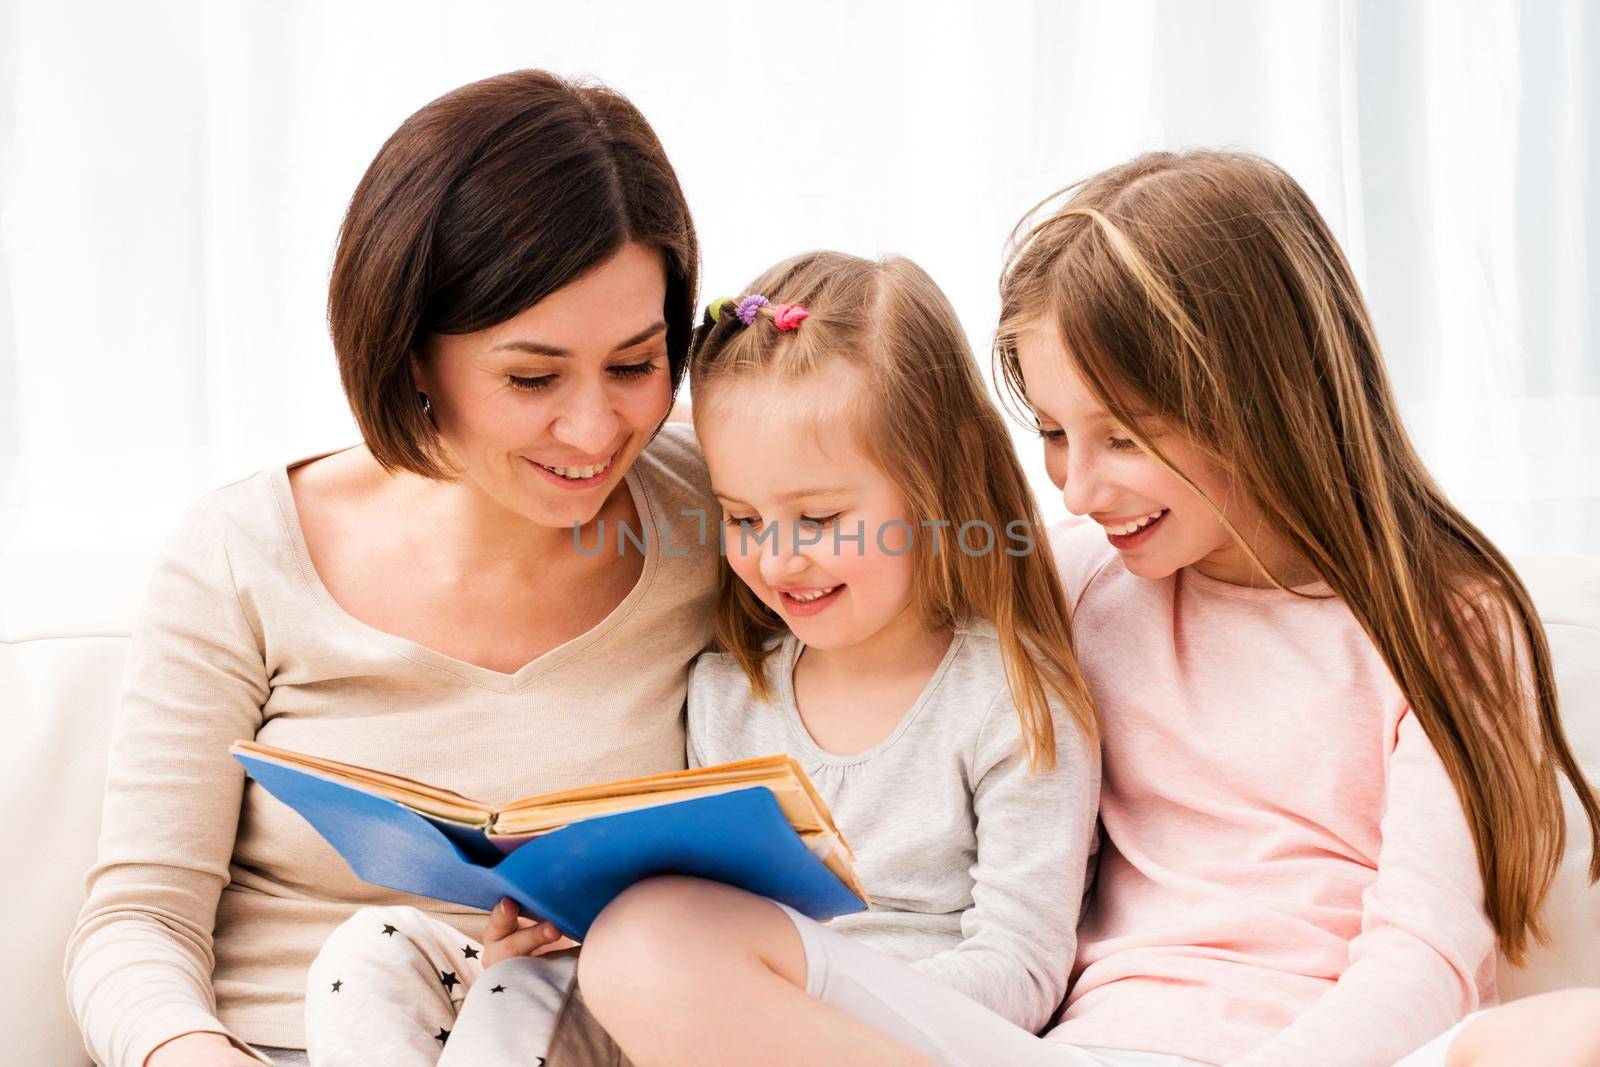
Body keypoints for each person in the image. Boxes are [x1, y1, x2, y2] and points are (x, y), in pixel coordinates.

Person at [571, 150, 1600, 1067]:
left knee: (1570, 1029)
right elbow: (867, 571)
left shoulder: (1448, 627)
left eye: (1122, 435)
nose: (1074, 487)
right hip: (1083, 1043)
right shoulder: (1077, 583)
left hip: (1337, 1046)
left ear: (1263, 400)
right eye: (1054, 433)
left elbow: (1419, 959)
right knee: (644, 945)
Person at [301, 250, 1102, 1066]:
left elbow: (1023, 967)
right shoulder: (731, 688)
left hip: (879, 1032)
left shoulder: (1012, 698)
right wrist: (548, 941)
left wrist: (778, 991)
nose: (778, 559)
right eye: (743, 519)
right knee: (378, 948)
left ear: (943, 483)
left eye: (820, 518)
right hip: (682, 1009)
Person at [64, 69, 719, 1067]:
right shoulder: (244, 551)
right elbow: (136, 920)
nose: (596, 428)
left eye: (634, 363)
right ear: (411, 353)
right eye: (532, 376)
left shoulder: (732, 514)